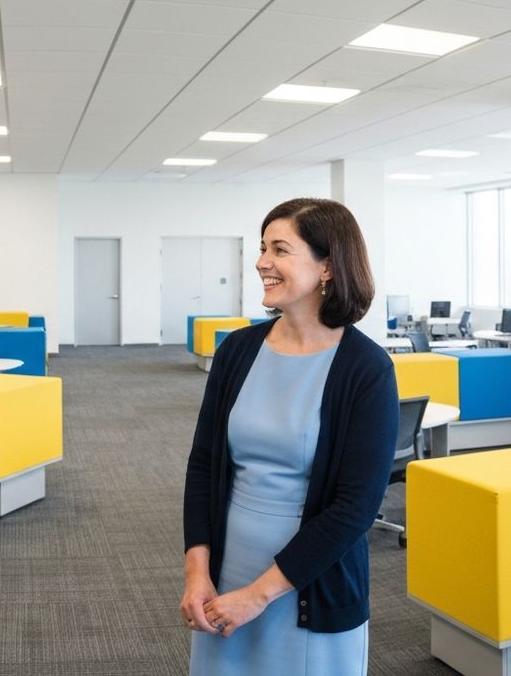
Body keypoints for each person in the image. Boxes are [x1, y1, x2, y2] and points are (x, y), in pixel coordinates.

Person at [180, 198, 399, 675]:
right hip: (227, 575)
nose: (262, 262)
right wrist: (197, 573)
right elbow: (204, 466)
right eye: (262, 248)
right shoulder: (237, 350)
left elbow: (355, 508)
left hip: (309, 585)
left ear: (327, 267)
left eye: (280, 249)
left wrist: (257, 597)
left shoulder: (365, 369)